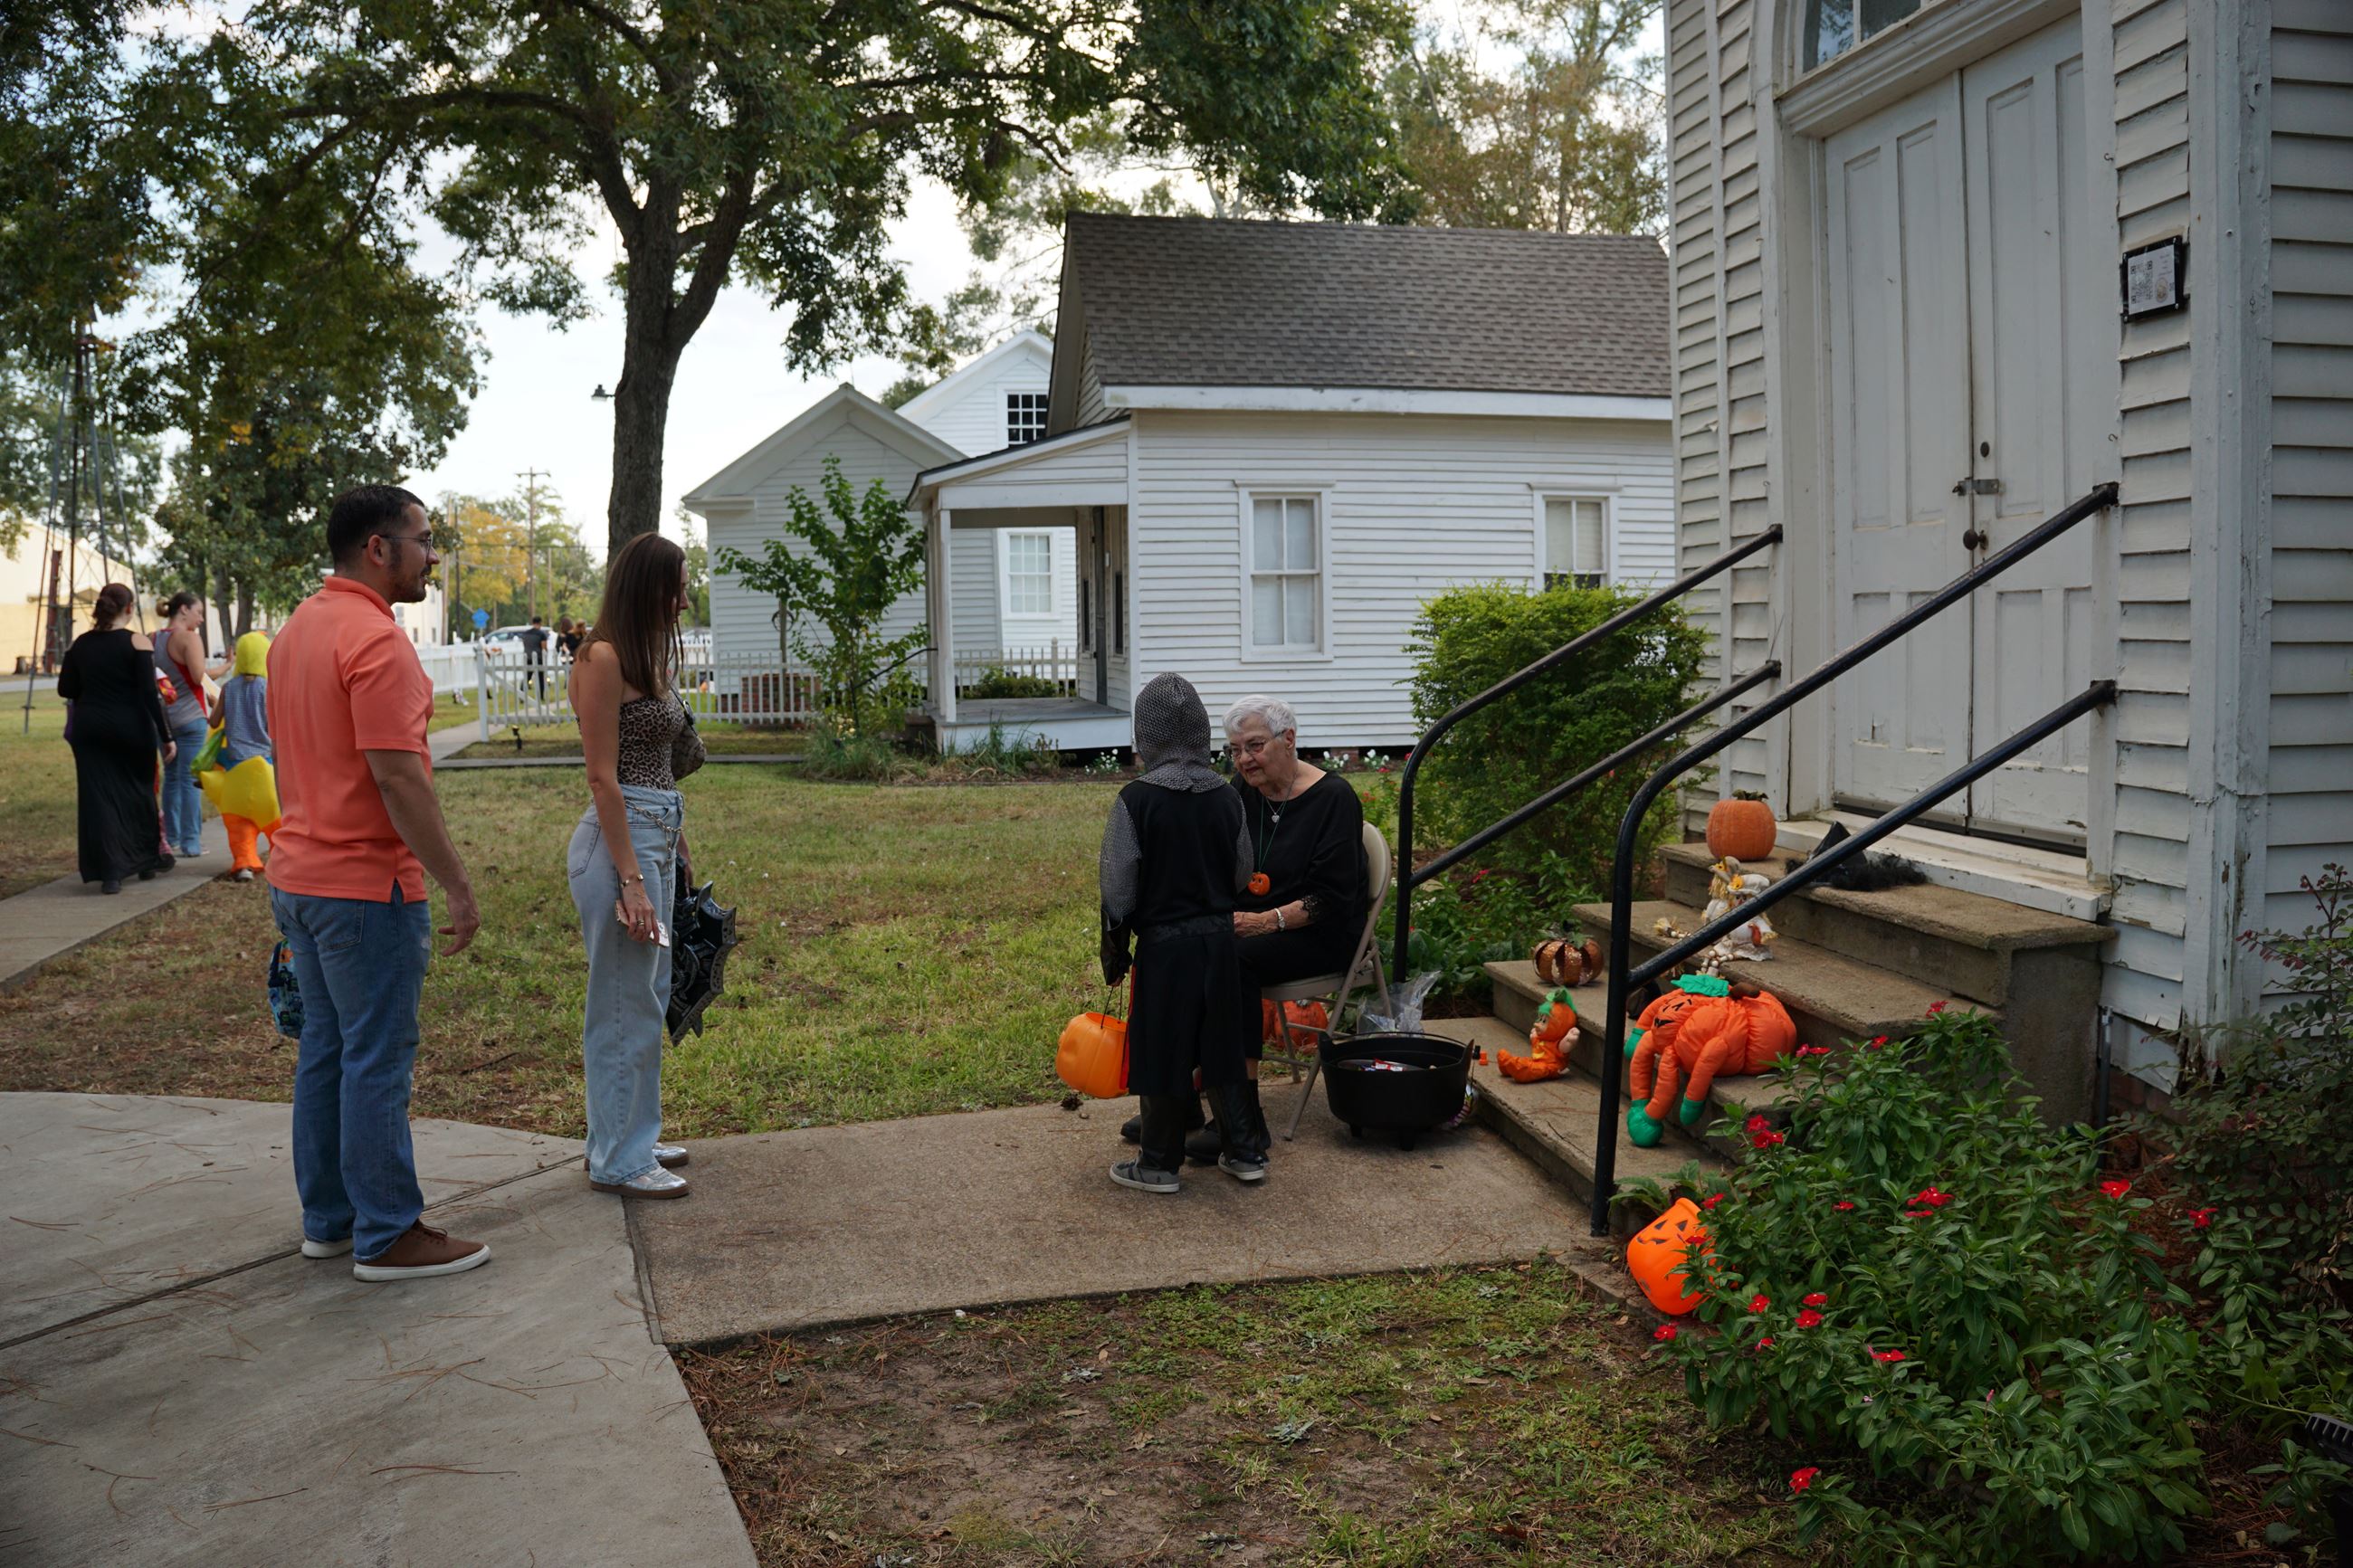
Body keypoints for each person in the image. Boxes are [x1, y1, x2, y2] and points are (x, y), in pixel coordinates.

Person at [268, 484, 490, 1282]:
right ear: (378, 548)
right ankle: (389, 1232)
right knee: (376, 1057)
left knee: (327, 1048)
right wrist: (457, 884)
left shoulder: (297, 630)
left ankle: (331, 1221)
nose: (433, 555)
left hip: (299, 878)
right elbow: (400, 780)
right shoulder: (377, 641)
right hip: (366, 888)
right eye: (424, 540)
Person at [1124, 694, 1367, 1161]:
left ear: (1289, 739)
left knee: (1227, 961)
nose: (1243, 759)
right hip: (1250, 927)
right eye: (1235, 750)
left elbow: (1335, 898)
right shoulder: (1242, 791)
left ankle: (1242, 1119)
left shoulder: (1333, 798)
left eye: (1254, 746)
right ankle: (1179, 1101)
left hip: (1318, 935)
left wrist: (1267, 921)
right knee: (1183, 948)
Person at [567, 532, 702, 1199]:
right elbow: (603, 777)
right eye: (676, 586)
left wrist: (676, 849)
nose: (684, 600)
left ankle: (629, 1136)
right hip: (617, 848)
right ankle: (620, 1158)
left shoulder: (649, 655)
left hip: (654, 836)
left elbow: (661, 770)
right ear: (646, 586)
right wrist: (631, 880)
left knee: (644, 999)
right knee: (622, 1007)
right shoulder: (601, 657)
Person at [1097, 672, 1268, 1192]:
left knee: (1163, 1046)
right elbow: (1242, 873)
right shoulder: (1227, 798)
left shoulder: (1136, 800)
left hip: (1166, 949)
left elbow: (1119, 885)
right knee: (1221, 1045)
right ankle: (1244, 1153)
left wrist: (1114, 938)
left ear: (1145, 734)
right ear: (1199, 730)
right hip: (1219, 943)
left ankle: (1157, 1164)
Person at [56, 583, 176, 893]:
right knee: (139, 792)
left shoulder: (80, 644)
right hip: (130, 728)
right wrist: (166, 736)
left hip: (90, 728)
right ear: (129, 609)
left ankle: (110, 873)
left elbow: (66, 689)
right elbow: (150, 695)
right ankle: (145, 859)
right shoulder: (137, 642)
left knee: (99, 800)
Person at [211, 631, 277, 882]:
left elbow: (214, 721)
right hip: (267, 769)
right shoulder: (270, 688)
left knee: (239, 823)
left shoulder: (228, 688)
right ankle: (281, 863)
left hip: (236, 770)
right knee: (276, 824)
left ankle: (244, 864)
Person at [153, 590, 211, 859]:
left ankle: (172, 838)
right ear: (184, 609)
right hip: (191, 717)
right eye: (198, 612)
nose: (200, 619)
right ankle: (191, 843)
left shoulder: (152, 639)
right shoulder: (189, 639)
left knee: (172, 779)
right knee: (190, 780)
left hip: (164, 720)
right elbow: (199, 677)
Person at [519, 614, 551, 698]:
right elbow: (544, 647)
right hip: (538, 657)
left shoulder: (526, 634)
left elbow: (524, 644)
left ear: (533, 623)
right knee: (540, 678)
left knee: (527, 677)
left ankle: (522, 695)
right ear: (540, 623)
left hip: (528, 657)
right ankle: (541, 696)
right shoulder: (541, 634)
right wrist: (545, 653)